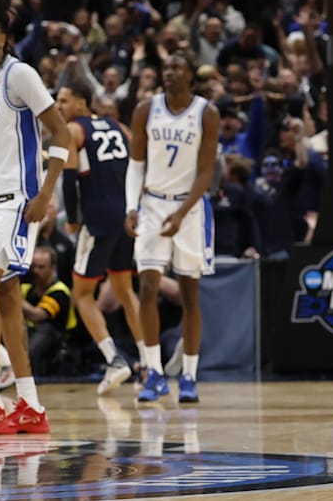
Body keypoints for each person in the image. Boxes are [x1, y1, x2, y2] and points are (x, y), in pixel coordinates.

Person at [0, 0, 72, 436]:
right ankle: (30, 405)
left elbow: (60, 132)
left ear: (5, 38)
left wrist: (46, 192)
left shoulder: (19, 75)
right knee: (5, 301)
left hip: (16, 201)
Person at [125, 53, 218, 404]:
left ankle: (190, 376)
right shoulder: (145, 109)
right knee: (146, 287)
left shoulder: (206, 112)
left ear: (191, 76)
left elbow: (206, 172)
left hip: (189, 208)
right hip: (151, 203)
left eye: (178, 67)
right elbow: (135, 165)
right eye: (166, 68)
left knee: (189, 294)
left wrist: (180, 213)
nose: (170, 72)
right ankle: (154, 374)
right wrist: (131, 207)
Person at [56, 79, 147, 395]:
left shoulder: (72, 131)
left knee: (82, 295)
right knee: (124, 289)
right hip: (126, 218)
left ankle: (114, 360)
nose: (59, 107)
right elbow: (140, 166)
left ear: (82, 102)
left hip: (97, 220)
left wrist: (72, 219)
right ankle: (149, 365)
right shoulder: (118, 126)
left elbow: (69, 181)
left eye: (64, 101)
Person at [21, 246, 75, 373]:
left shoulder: (59, 291)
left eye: (41, 267)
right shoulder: (27, 288)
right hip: (29, 334)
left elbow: (37, 315)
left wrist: (13, 298)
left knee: (46, 329)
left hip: (56, 341)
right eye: (34, 267)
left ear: (53, 268)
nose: (36, 271)